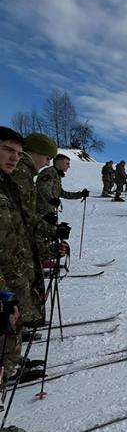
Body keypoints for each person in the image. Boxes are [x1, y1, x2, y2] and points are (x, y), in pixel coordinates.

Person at [0, 127, 45, 380]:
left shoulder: (8, 184)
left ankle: (11, 365)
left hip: (13, 274)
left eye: (18, 152)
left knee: (10, 329)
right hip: (4, 284)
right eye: (7, 150)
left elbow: (21, 223)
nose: (14, 157)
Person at [12, 133, 66, 259]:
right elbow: (21, 217)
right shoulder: (20, 173)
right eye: (47, 158)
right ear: (35, 152)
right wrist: (54, 230)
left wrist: (80, 194)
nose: (47, 164)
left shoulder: (26, 173)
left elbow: (60, 192)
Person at [35, 153, 89, 218]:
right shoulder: (49, 173)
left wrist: (80, 194)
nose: (69, 166)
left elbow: (61, 193)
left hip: (48, 211)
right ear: (59, 162)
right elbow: (42, 189)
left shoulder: (56, 175)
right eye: (67, 163)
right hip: (41, 212)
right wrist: (51, 199)